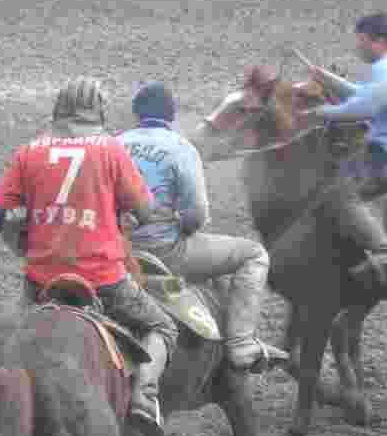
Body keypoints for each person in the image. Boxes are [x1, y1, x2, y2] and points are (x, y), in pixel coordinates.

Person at [0, 76, 178, 432]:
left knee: (7, 344)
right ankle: (143, 395)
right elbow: (145, 208)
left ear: (59, 110)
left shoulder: (30, 151)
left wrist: (19, 243)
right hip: (104, 280)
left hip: (42, 281)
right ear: (98, 111)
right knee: (162, 326)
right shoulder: (109, 149)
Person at [119, 82, 288, 371]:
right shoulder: (181, 148)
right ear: (171, 115)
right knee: (254, 255)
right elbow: (197, 215)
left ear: (136, 113)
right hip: (165, 251)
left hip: (115, 249)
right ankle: (241, 342)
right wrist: (182, 225)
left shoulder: (113, 143)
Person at [307, 13, 387, 290]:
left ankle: (384, 251)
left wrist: (322, 113)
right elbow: (364, 93)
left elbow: (363, 108)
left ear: (379, 41)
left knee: (341, 191)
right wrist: (327, 78)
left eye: (362, 41)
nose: (358, 47)